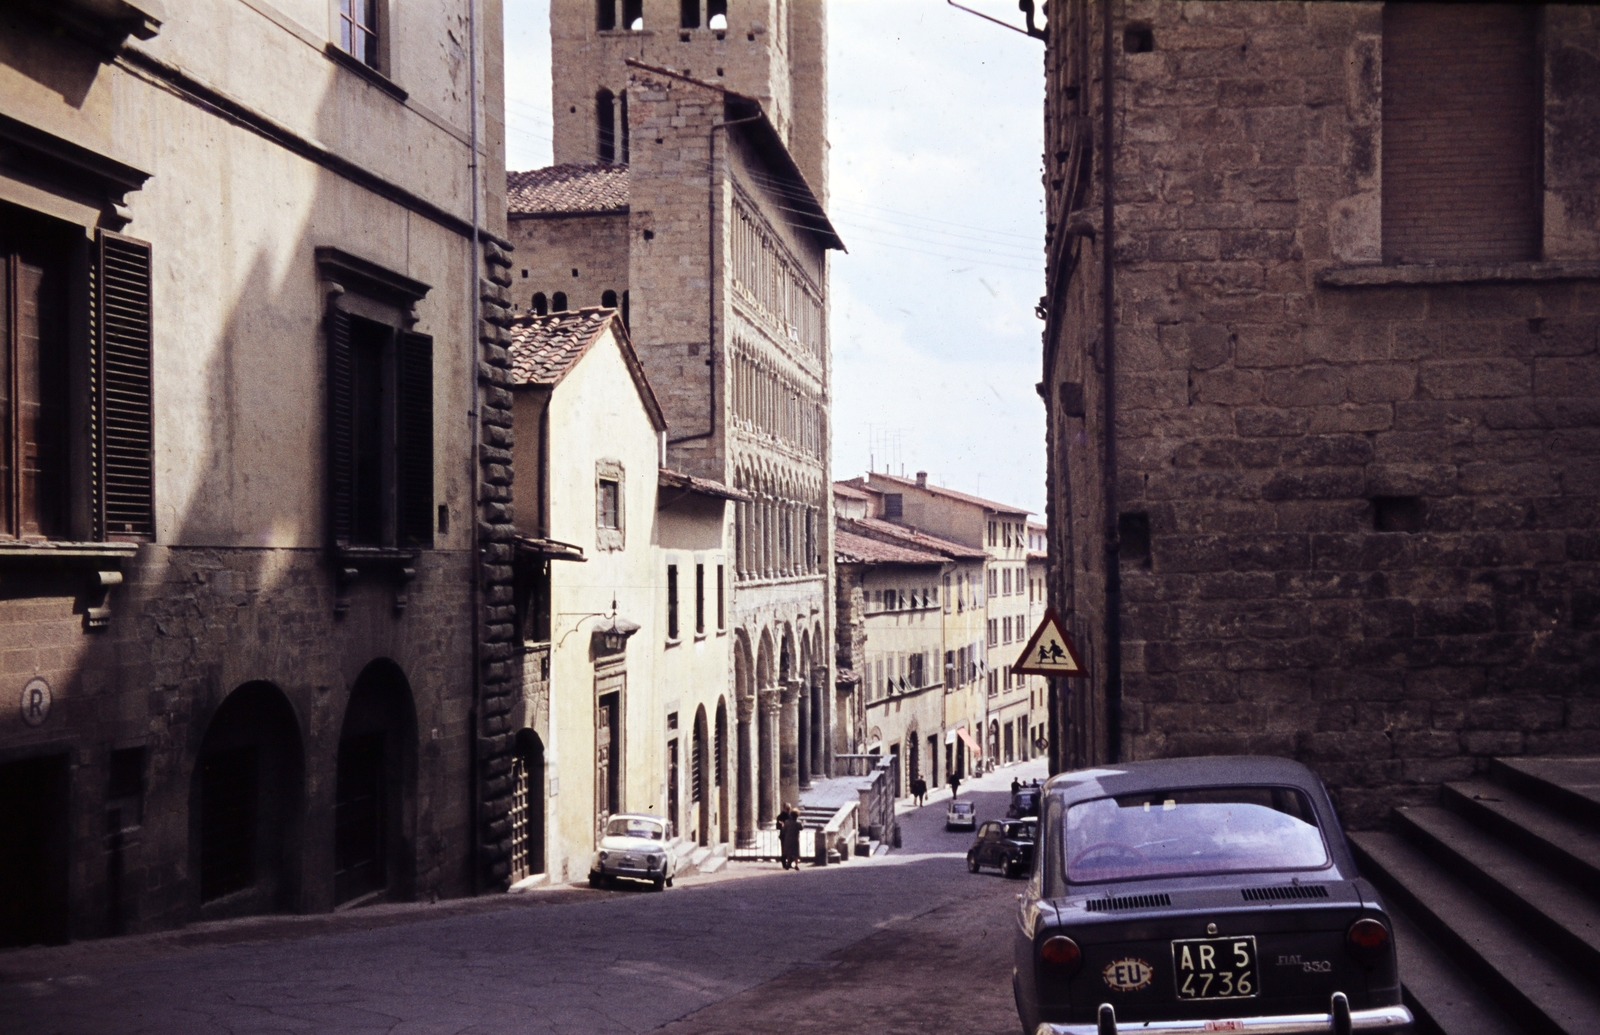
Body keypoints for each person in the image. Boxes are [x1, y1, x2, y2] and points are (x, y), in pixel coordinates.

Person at [777, 802, 803, 870]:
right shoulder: (781, 816)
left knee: (788, 851)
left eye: (790, 808)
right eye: (788, 808)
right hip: (788, 837)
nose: (789, 810)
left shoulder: (788, 819)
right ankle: (787, 864)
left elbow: (784, 828)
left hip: (787, 837)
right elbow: (801, 828)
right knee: (790, 851)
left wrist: (783, 826)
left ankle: (789, 864)